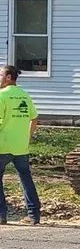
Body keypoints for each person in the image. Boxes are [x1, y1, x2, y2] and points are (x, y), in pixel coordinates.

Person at [0, 65, 40, 225]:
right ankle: (34, 215)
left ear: (9, 77)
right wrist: (27, 137)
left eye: (1, 74)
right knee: (26, 177)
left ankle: (2, 215)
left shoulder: (2, 96)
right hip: (21, 146)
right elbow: (35, 118)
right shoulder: (24, 95)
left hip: (3, 145)